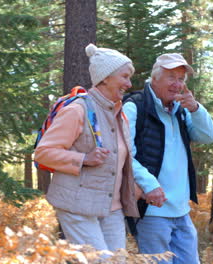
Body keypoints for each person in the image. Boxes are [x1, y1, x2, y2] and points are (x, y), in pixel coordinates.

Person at [34, 43, 139, 252]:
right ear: (106, 77)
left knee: (118, 261)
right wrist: (83, 159)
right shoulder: (77, 109)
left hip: (112, 207)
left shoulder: (120, 114)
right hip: (77, 206)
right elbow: (43, 152)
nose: (129, 84)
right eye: (124, 77)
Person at [123, 53, 213, 263]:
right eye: (171, 77)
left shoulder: (181, 111)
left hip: (181, 210)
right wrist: (149, 185)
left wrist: (195, 108)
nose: (177, 84)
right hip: (152, 211)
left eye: (181, 79)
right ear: (154, 78)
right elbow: (125, 154)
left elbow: (208, 136)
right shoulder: (135, 106)